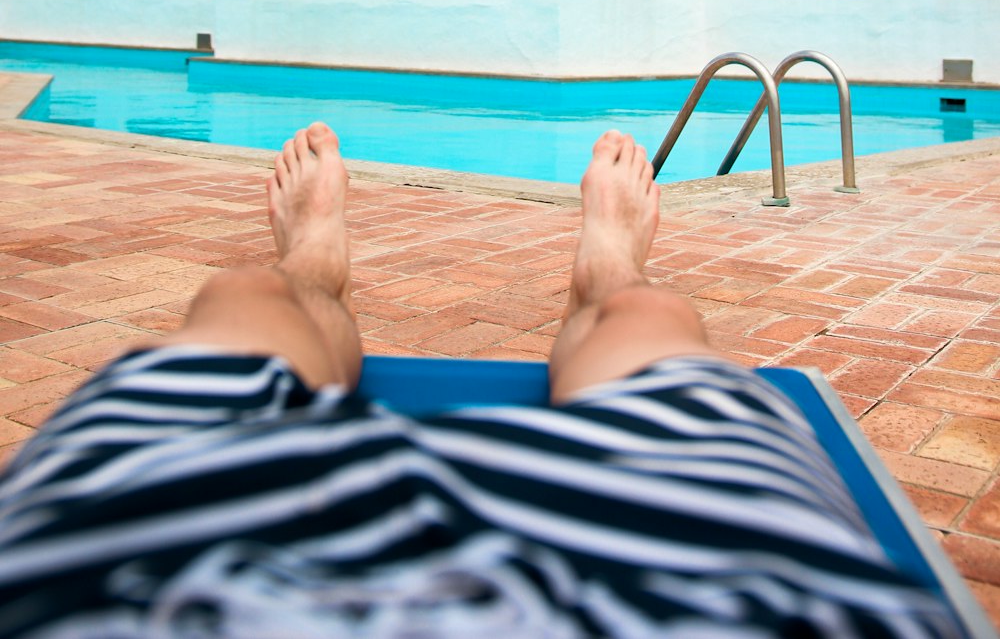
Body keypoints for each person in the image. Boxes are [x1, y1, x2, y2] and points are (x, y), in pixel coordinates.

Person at [0, 124, 957, 637]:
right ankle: (609, 275)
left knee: (244, 298)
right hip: (706, 584)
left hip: (138, 558)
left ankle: (311, 265)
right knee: (653, 324)